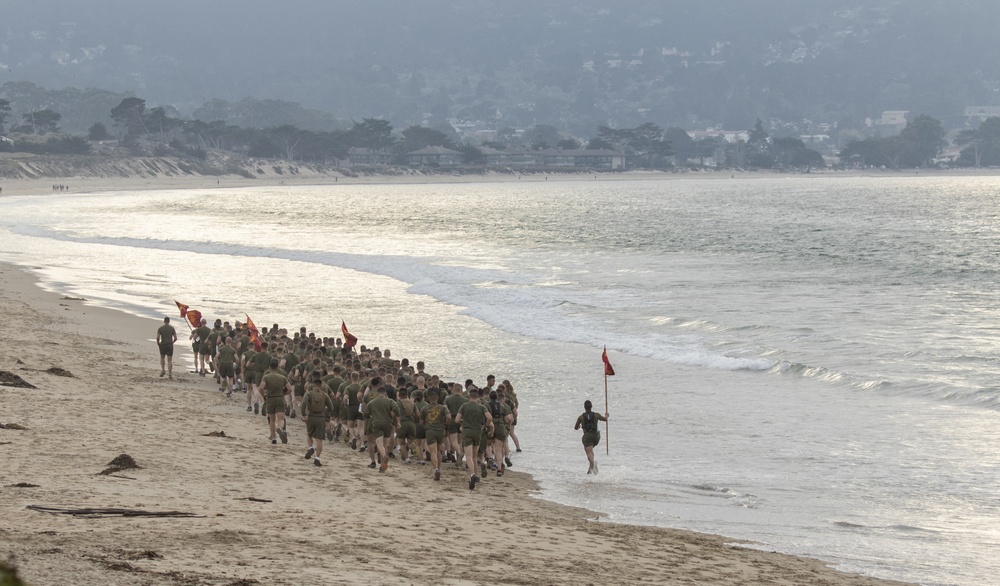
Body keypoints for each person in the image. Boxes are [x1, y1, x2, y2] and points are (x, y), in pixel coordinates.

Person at [455, 388, 493, 490]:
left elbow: (457, 420)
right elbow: (489, 418)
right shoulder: (482, 407)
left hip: (467, 431)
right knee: (475, 457)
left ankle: (472, 475)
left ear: (469, 396)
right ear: (477, 397)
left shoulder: (464, 406)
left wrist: (463, 422)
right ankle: (476, 476)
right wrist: (485, 425)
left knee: (468, 456)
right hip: (478, 432)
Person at [301, 376, 336, 466]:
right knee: (319, 439)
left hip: (311, 417)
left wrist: (303, 414)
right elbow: (331, 407)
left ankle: (310, 448)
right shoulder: (325, 395)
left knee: (309, 435)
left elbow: (304, 403)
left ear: (313, 385)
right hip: (321, 417)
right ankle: (317, 458)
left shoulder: (309, 394)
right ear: (321, 386)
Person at [258, 359, 293, 445]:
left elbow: (261, 388)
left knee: (272, 420)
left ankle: (273, 437)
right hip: (280, 399)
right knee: (281, 419)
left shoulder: (266, 376)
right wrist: (283, 393)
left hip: (270, 399)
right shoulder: (282, 377)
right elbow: (290, 389)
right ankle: (280, 428)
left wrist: (263, 396)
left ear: (269, 367)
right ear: (277, 367)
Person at [420, 388, 451, 481]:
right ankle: (439, 468)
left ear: (429, 398)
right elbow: (449, 417)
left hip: (430, 431)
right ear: (437, 398)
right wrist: (446, 424)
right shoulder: (443, 407)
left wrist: (426, 425)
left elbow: (421, 422)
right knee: (438, 451)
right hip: (440, 430)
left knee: (433, 452)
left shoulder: (424, 408)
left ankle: (436, 469)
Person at [574, 400, 608, 475]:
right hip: (596, 436)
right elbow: (605, 419)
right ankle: (591, 466)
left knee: (588, 451)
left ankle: (593, 463)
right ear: (591, 406)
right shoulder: (596, 415)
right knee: (590, 451)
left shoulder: (581, 417)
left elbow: (575, 427)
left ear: (584, 407)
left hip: (587, 437)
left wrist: (579, 426)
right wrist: (606, 415)